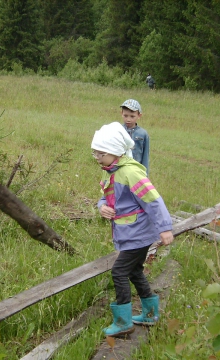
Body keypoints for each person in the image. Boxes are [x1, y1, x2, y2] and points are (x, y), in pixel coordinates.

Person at [91, 122, 173, 337]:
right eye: (95, 153)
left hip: (138, 233)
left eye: (101, 153)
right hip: (128, 233)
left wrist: (165, 228)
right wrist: (102, 207)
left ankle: (123, 322)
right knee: (135, 270)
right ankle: (150, 314)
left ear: (115, 151)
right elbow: (105, 197)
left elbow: (153, 200)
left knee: (119, 272)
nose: (97, 157)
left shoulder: (131, 173)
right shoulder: (109, 172)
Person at [120, 99, 150, 174]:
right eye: (125, 116)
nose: (128, 119)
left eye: (132, 116)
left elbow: (145, 155)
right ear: (121, 113)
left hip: (136, 170)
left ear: (139, 116)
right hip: (120, 169)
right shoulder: (118, 130)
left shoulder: (143, 134)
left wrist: (144, 175)